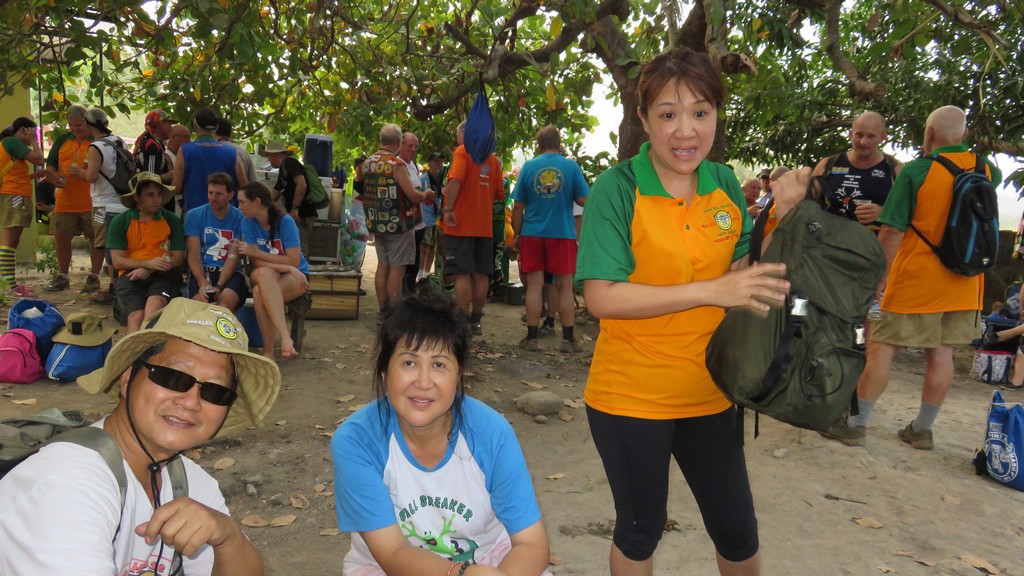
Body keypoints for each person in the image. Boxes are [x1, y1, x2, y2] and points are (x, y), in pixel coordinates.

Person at [577, 47, 804, 576]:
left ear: (717, 115)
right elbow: (602, 297)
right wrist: (708, 291)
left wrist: (785, 218)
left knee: (737, 530)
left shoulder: (723, 183)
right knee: (640, 530)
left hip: (712, 389)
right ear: (644, 119)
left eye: (701, 112)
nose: (686, 131)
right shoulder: (618, 189)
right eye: (668, 114)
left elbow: (750, 273)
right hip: (631, 395)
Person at [0, 297, 279, 574]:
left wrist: (228, 536)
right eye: (173, 377)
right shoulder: (67, 485)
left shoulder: (188, 481)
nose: (191, 402)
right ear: (127, 378)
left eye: (215, 391)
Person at [331, 288, 552, 576]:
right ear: (384, 372)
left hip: (490, 563)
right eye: (409, 363)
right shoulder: (356, 442)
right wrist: (460, 574)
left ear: (459, 374)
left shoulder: (491, 433)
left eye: (439, 364)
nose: (423, 382)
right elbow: (393, 553)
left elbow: (531, 543)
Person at [820, 105, 1002, 451]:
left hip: (915, 280)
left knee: (882, 346)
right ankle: (922, 430)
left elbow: (891, 231)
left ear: (928, 134)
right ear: (964, 134)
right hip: (965, 282)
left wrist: (879, 279)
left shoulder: (918, 171)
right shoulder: (988, 170)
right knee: (942, 353)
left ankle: (856, 424)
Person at [511, 125, 589, 353]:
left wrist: (517, 234)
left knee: (534, 286)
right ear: (559, 143)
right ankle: (568, 340)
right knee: (565, 286)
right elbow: (584, 199)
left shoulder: (529, 167)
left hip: (533, 233)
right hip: (562, 233)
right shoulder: (570, 167)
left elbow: (518, 206)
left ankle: (531, 338)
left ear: (539, 145)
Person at [441, 121, 504, 335]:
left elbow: (455, 180)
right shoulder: (492, 159)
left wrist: (449, 208)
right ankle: (476, 320)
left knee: (462, 274)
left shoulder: (463, 151)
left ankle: (462, 320)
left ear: (464, 133)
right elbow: (499, 194)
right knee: (481, 274)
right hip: (483, 227)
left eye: (458, 133)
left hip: (460, 225)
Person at [361, 125, 433, 312]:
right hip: (398, 224)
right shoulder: (396, 165)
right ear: (399, 142)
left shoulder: (368, 163)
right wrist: (426, 195)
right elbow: (413, 196)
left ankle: (382, 310)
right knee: (397, 269)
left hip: (376, 223)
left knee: (382, 265)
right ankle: (393, 313)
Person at [236, 181, 309, 361]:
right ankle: (285, 338)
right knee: (264, 274)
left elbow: (294, 260)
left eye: (242, 202)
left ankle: (269, 351)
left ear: (257, 202)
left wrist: (258, 253)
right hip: (267, 271)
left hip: (294, 275)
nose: (239, 207)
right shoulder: (247, 222)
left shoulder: (286, 222)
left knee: (259, 293)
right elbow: (258, 262)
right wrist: (287, 267)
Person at [108, 172, 186, 334]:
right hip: (130, 274)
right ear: (136, 197)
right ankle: (134, 350)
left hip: (165, 273)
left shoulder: (171, 220)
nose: (156, 200)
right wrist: (147, 264)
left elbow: (178, 257)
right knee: (135, 317)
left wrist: (149, 268)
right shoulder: (120, 222)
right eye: (150, 195)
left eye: (159, 195)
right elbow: (117, 261)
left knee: (153, 309)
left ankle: (147, 347)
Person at [43, 104, 104, 293]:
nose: (75, 129)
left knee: (95, 239)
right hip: (65, 201)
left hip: (92, 201)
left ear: (87, 123)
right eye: (71, 125)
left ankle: (94, 276)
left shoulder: (97, 141)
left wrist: (85, 173)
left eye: (79, 125)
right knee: (61, 238)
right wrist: (54, 177)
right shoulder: (62, 140)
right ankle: (63, 276)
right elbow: (50, 166)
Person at [812, 111, 902, 230]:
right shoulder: (828, 164)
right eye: (859, 135)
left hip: (874, 240)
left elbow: (911, 213)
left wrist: (884, 212)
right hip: (829, 238)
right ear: (850, 134)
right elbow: (808, 205)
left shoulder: (895, 169)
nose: (863, 142)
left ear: (883, 137)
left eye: (871, 136)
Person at [185, 172, 246, 311]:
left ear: (230, 195)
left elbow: (233, 256)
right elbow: (193, 255)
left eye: (218, 194)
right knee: (200, 308)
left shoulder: (241, 218)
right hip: (203, 270)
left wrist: (219, 285)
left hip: (231, 272)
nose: (213, 198)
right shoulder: (194, 215)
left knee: (223, 307)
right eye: (210, 193)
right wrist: (202, 284)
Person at [0, 117, 46, 298]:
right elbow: (39, 159)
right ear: (24, 131)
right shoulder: (12, 142)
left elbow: (17, 176)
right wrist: (34, 141)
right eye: (33, 133)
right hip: (14, 196)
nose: (35, 137)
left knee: (11, 241)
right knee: (10, 241)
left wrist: (41, 174)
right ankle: (10, 286)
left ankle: (8, 284)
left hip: (14, 194)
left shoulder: (10, 145)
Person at [172, 106, 247, 213]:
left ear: (195, 125)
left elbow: (176, 188)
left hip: (196, 214)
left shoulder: (185, 151)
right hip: (227, 215)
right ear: (217, 127)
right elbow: (244, 186)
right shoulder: (232, 153)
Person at [264, 140, 318, 257]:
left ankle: (302, 268)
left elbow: (302, 184)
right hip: (296, 214)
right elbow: (276, 192)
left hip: (302, 214)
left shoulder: (289, 163)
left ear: (276, 155)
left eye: (269, 155)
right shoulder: (283, 170)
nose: (268, 159)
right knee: (293, 245)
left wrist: (294, 208)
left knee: (301, 247)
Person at [399, 131, 427, 295]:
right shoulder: (398, 165)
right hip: (406, 222)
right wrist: (423, 195)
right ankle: (403, 293)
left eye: (415, 146)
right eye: (410, 146)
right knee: (406, 261)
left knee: (415, 259)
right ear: (401, 145)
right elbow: (410, 194)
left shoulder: (414, 165)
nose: (413, 149)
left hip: (418, 221)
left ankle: (410, 291)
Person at [416, 151, 444, 284]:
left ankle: (426, 275)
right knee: (424, 247)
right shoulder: (423, 179)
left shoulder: (443, 179)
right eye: (436, 161)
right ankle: (420, 274)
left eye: (441, 161)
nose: (439, 164)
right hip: (425, 217)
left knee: (433, 247)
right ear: (429, 163)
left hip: (438, 218)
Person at [134, 109, 176, 185]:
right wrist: (170, 175)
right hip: (149, 191)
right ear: (161, 124)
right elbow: (151, 178)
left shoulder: (153, 142)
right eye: (169, 124)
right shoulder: (152, 145)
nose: (172, 128)